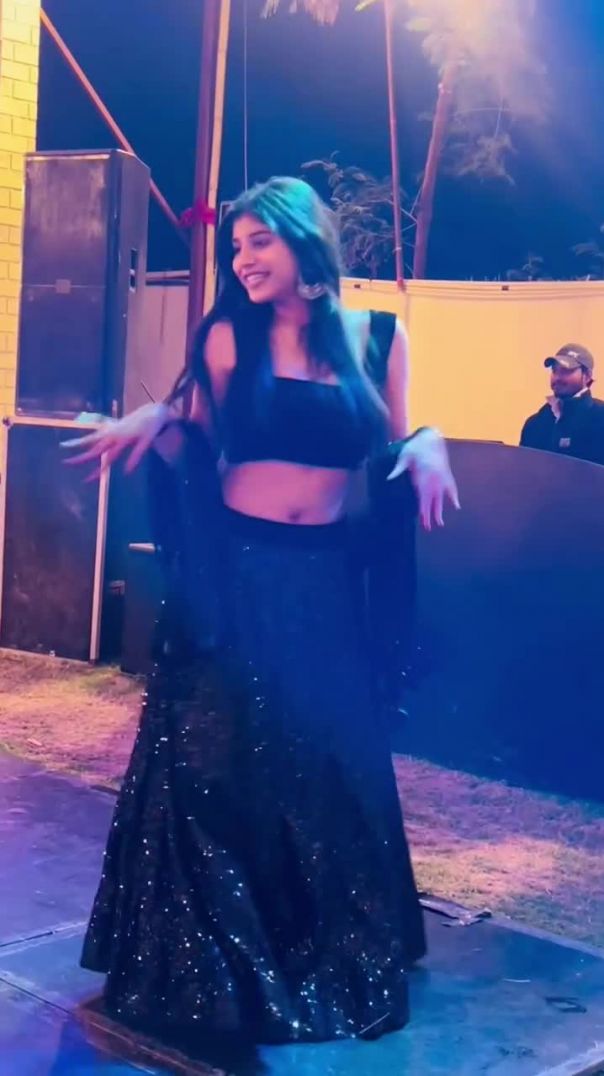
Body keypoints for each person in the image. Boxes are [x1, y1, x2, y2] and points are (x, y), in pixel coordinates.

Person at [63, 177, 458, 1047]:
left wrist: (428, 442)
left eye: (257, 243)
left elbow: (393, 441)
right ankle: (221, 953)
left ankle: (312, 935)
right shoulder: (227, 336)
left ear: (302, 239)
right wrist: (153, 420)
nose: (241, 261)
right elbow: (195, 443)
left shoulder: (378, 337)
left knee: (326, 765)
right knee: (217, 765)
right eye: (234, 247)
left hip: (325, 588)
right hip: (237, 580)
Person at [520, 343, 604, 465]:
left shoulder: (600, 418)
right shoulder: (535, 424)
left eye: (566, 371)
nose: (558, 377)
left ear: (587, 376)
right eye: (554, 371)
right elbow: (522, 470)